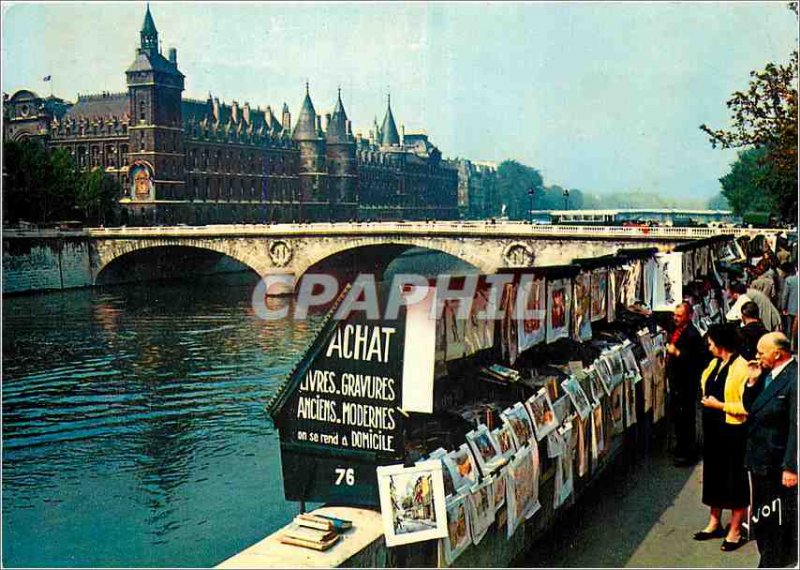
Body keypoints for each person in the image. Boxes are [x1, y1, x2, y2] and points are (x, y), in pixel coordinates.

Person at [742, 332, 797, 568]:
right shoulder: (766, 374)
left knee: (775, 517)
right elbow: (750, 406)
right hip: (759, 458)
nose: (757, 357)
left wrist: (791, 466)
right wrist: (752, 381)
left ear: (777, 353)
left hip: (777, 461)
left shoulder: (793, 380)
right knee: (761, 515)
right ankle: (769, 555)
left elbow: (796, 426)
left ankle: (772, 560)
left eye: (761, 352)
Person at [695, 324, 750, 551]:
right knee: (714, 475)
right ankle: (714, 522)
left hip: (733, 430)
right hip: (714, 430)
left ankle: (735, 529)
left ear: (721, 344)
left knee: (734, 478)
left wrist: (719, 405)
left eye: (710, 342)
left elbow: (748, 406)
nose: (708, 347)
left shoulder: (742, 368)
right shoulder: (715, 364)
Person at [666, 302, 708, 466]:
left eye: (679, 316)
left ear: (689, 316)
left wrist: (676, 352)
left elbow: (696, 360)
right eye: (675, 315)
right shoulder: (678, 330)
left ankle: (686, 452)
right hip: (678, 382)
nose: (676, 318)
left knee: (685, 418)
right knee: (680, 417)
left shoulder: (692, 334)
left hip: (686, 383)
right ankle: (682, 448)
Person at [778, 262, 797, 351]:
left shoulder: (789, 280)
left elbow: (785, 296)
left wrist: (783, 308)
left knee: (789, 328)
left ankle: (790, 346)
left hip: (791, 309)